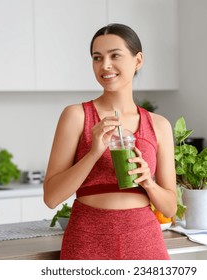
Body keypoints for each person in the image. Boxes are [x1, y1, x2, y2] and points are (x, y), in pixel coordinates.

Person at [43, 23, 177, 260]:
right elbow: (51, 197)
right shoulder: (76, 116)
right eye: (97, 58)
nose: (105, 65)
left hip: (144, 240)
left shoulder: (159, 125)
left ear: (138, 61)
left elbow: (170, 208)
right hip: (87, 238)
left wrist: (148, 183)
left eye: (115, 55)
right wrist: (94, 152)